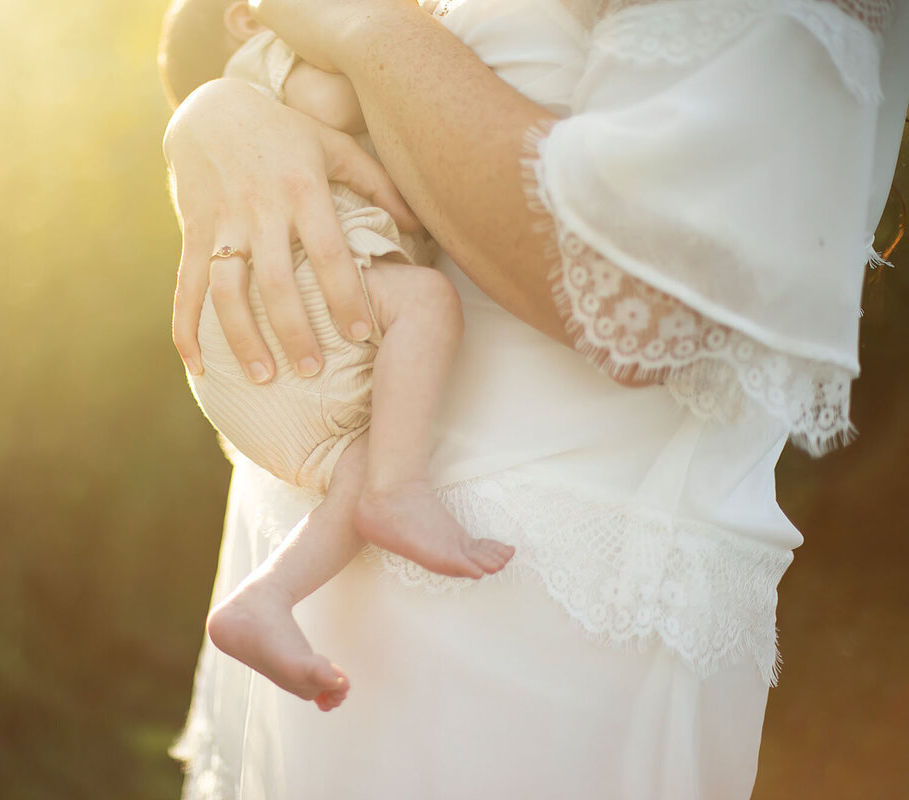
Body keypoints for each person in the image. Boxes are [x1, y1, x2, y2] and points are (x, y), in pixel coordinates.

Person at [162, 0, 909, 797]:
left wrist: (361, 28)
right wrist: (211, 112)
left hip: (529, 610)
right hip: (325, 550)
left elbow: (640, 292)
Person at [160, 0, 514, 713]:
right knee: (426, 304)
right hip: (278, 308)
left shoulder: (251, 91)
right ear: (246, 17)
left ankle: (266, 597)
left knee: (368, 452)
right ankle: (399, 491)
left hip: (255, 365)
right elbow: (345, 88)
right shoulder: (266, 65)